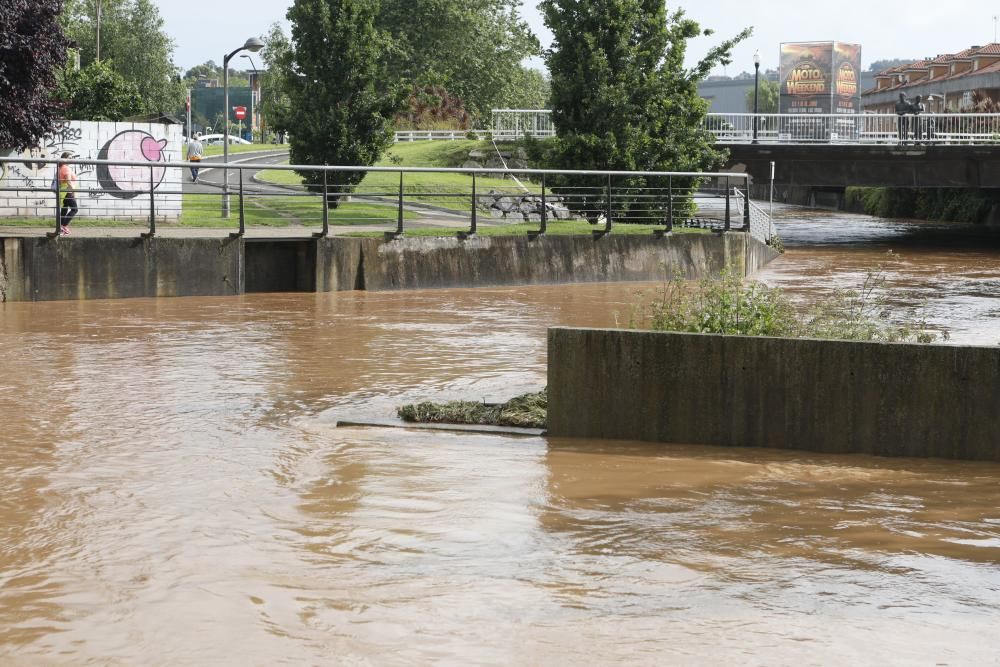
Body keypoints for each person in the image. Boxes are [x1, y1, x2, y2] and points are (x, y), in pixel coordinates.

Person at [58, 152, 78, 236]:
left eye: (71, 157)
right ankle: (64, 226)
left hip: (64, 192)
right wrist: (73, 191)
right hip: (68, 192)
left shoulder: (61, 167)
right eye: (69, 158)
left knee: (64, 209)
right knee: (74, 209)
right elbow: (68, 181)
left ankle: (60, 228)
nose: (71, 159)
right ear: (64, 158)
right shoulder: (66, 168)